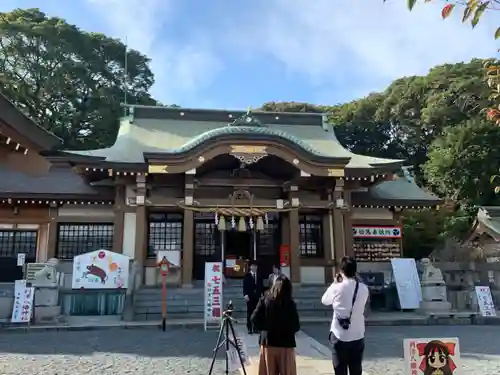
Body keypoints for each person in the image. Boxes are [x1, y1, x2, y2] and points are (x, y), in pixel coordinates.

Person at [321, 256, 369, 375]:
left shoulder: (337, 287)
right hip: (357, 334)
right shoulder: (364, 288)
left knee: (340, 370)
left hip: (339, 334)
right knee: (356, 369)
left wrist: (335, 282)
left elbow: (325, 300)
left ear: (341, 271)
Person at [251, 275, 300, 375]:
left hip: (268, 343)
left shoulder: (265, 300)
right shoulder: (290, 304)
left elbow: (254, 319)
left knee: (268, 371)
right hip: (286, 345)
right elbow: (296, 325)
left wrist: (264, 329)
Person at [243, 260, 263, 334]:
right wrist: (245, 295)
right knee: (250, 312)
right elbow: (245, 287)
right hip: (250, 297)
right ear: (250, 267)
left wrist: (262, 295)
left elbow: (261, 286)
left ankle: (256, 327)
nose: (254, 267)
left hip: (257, 297)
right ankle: (249, 327)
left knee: (257, 312)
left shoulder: (259, 276)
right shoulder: (247, 276)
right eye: (252, 266)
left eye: (255, 266)